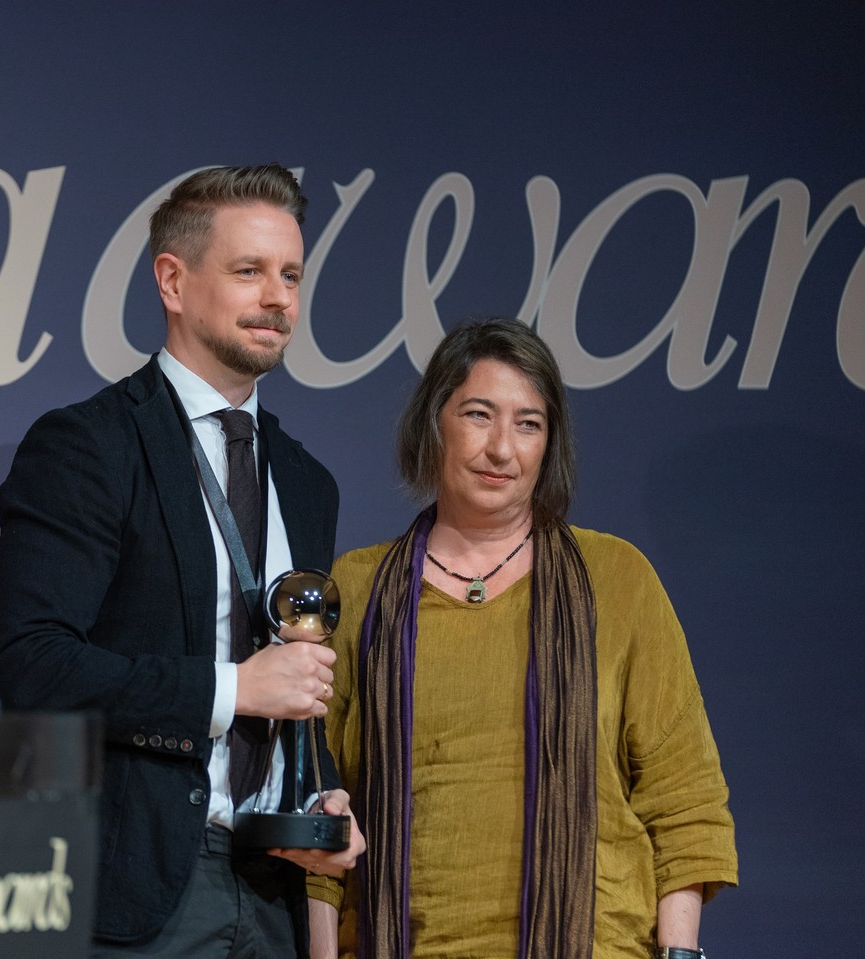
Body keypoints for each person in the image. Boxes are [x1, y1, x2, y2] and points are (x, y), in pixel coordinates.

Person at [0, 163, 366, 959]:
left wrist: (317, 794)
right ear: (172, 280)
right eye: (249, 271)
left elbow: (291, 683)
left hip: (274, 886)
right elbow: (34, 664)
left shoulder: (307, 480)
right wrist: (232, 689)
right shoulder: (90, 446)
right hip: (139, 890)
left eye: (291, 275)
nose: (278, 298)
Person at [305, 319, 736, 959]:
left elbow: (684, 801)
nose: (502, 449)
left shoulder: (618, 579)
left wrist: (679, 954)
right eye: (479, 415)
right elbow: (316, 810)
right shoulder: (359, 588)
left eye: (528, 424)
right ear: (434, 424)